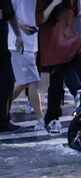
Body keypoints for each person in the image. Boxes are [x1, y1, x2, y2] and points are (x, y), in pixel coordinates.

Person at [36, 0, 81, 133]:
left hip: (69, 40)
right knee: (57, 81)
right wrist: (53, 4)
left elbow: (75, 13)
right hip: (53, 43)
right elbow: (39, 19)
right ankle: (53, 118)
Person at [8, 0, 45, 131]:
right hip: (19, 43)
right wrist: (21, 26)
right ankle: (41, 119)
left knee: (24, 82)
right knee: (32, 81)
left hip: (30, 42)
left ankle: (2, 109)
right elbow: (9, 12)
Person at [0, 0, 23, 132]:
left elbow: (10, 14)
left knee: (8, 81)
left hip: (2, 47)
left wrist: (18, 35)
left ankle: (3, 119)